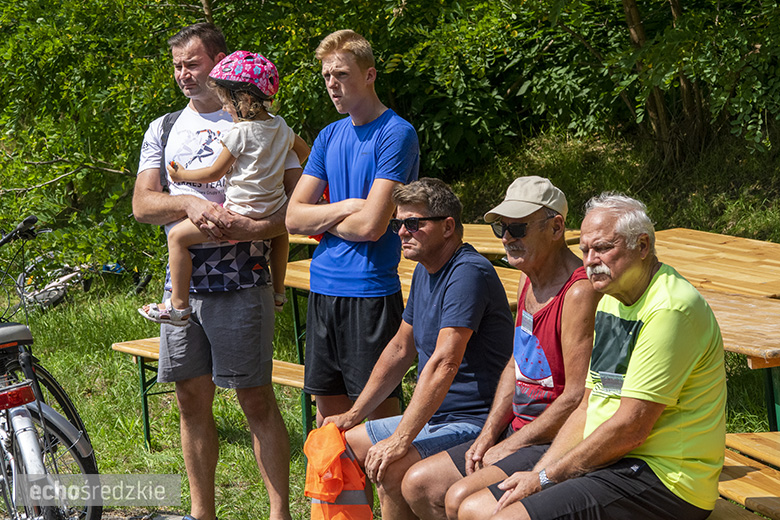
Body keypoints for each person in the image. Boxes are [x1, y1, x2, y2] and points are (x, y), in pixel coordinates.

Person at [457, 193, 727, 520]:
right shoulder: (613, 297)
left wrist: (546, 478)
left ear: (643, 246)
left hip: (665, 477)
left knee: (506, 519)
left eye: (602, 248)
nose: (589, 260)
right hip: (613, 458)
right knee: (472, 508)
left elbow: (631, 427)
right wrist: (541, 472)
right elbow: (589, 403)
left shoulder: (670, 310)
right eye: (584, 249)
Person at [132, 23, 296, 520]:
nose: (183, 74)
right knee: (189, 399)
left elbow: (297, 206)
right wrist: (186, 201)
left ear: (220, 63)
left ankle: (279, 513)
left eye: (193, 64)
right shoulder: (162, 128)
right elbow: (142, 205)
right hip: (181, 286)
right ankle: (202, 514)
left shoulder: (266, 126)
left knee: (255, 400)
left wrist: (252, 226)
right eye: (177, 65)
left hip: (243, 279)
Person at [401, 176, 601, 520]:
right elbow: (516, 363)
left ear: (556, 228)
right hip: (517, 427)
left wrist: (511, 444)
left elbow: (575, 396)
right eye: (501, 229)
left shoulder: (578, 292)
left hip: (552, 438)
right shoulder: (528, 277)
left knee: (461, 498)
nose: (507, 238)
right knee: (418, 484)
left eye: (518, 229)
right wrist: (490, 434)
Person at [323, 178, 515, 520]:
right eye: (398, 223)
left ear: (448, 227)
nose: (401, 232)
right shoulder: (428, 270)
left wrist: (401, 438)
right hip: (440, 417)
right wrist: (355, 414)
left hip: (476, 420)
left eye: (414, 223)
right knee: (344, 445)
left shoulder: (467, 274)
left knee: (391, 467)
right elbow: (399, 348)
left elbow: (444, 363)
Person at [286, 29, 420, 424]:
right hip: (323, 288)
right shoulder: (329, 135)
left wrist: (325, 218)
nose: (332, 84)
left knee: (375, 426)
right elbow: (293, 218)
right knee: (331, 425)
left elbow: (372, 227)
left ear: (370, 75)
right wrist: (346, 206)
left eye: (341, 74)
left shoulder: (397, 134)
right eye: (327, 76)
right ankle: (344, 491)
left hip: (370, 292)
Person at [138, 50, 309, 325]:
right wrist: (272, 164)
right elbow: (303, 152)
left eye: (227, 104)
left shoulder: (239, 133)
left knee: (178, 238)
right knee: (279, 238)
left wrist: (182, 175)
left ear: (245, 100)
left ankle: (178, 307)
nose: (226, 110)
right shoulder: (281, 127)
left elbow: (213, 172)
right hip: (271, 208)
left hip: (238, 212)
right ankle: (279, 292)